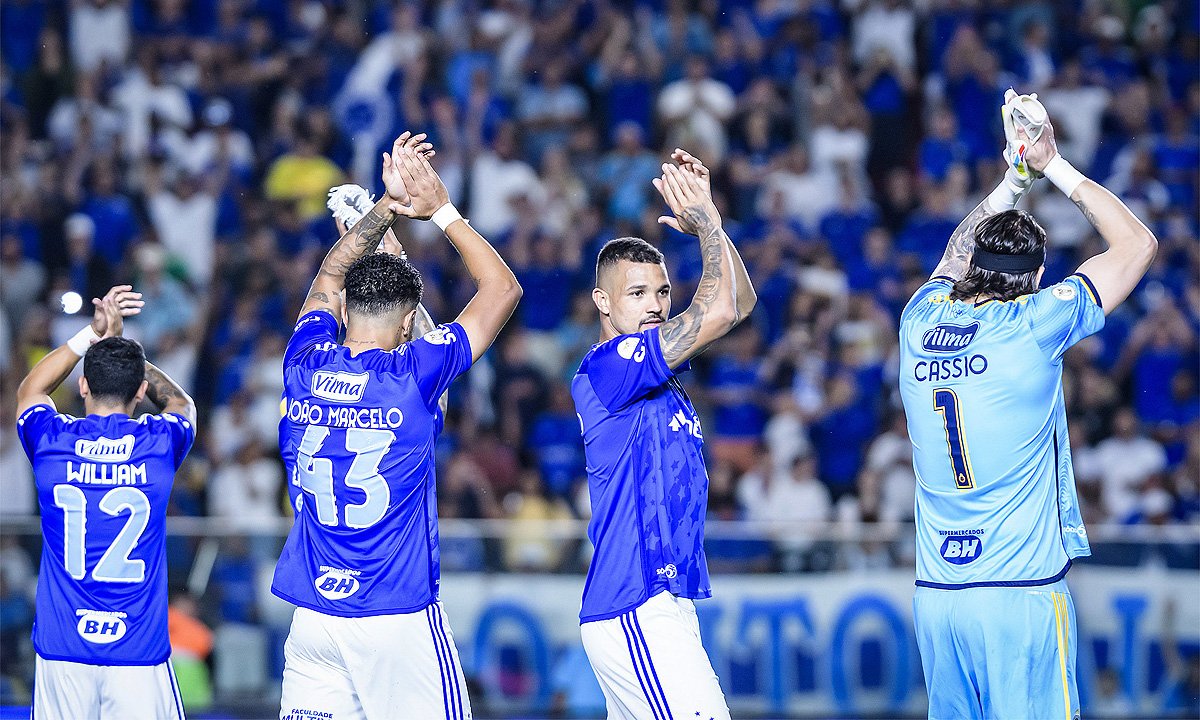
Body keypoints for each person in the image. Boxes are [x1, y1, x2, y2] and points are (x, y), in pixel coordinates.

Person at [898, 90, 1158, 718]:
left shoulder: (918, 319)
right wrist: (1051, 164)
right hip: (1017, 594)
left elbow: (956, 252)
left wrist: (1012, 178)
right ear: (1036, 277)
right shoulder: (1034, 324)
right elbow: (1138, 245)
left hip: (939, 596)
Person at [272, 131, 522, 720]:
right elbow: (502, 290)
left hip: (313, 619)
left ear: (340, 313)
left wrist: (382, 211)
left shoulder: (302, 362)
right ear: (411, 320)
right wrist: (438, 209)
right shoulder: (415, 373)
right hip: (395, 618)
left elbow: (331, 274)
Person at [572, 149, 755, 720]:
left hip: (658, 602)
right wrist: (708, 225)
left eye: (661, 293)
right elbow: (721, 311)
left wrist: (713, 224)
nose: (654, 306)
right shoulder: (612, 364)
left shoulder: (658, 375)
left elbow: (740, 303)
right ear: (603, 302)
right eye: (637, 294)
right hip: (636, 602)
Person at [15, 285, 197, 719]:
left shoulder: (52, 442)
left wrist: (91, 339)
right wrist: (125, 349)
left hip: (63, 647)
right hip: (137, 648)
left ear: (82, 385)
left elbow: (30, 391)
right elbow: (179, 402)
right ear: (138, 391)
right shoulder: (158, 444)